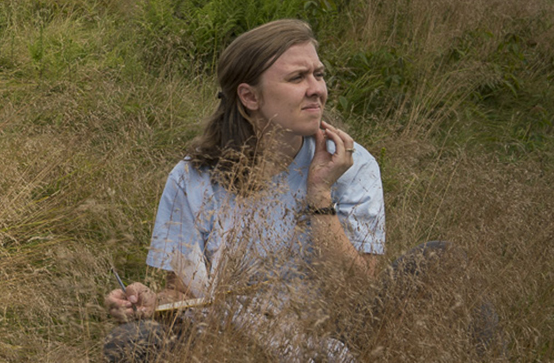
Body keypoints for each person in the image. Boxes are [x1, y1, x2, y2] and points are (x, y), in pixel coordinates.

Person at [101, 19, 499, 362]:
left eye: (319, 75)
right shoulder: (194, 176)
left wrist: (320, 194)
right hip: (224, 341)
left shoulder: (353, 165)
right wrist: (152, 301)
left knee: (444, 261)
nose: (317, 90)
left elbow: (356, 290)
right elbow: (186, 291)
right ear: (250, 96)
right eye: (297, 78)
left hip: (332, 338)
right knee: (131, 344)